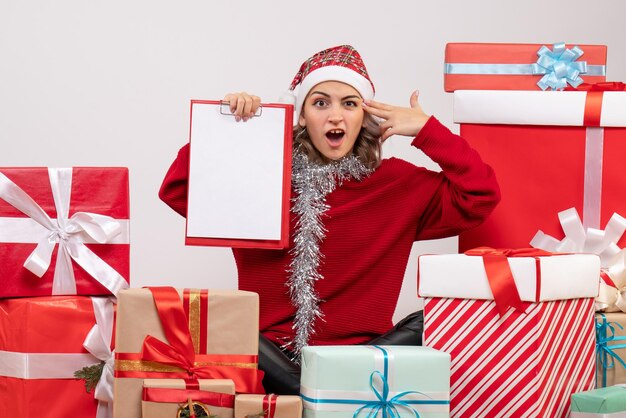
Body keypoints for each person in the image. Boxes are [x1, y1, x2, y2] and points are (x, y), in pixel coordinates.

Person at [159, 45, 500, 394]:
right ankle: (320, 391)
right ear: (302, 115)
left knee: (437, 319)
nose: (335, 116)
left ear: (363, 115)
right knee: (221, 327)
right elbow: (177, 189)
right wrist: (234, 131)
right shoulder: (261, 175)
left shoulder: (397, 183)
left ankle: (319, 389)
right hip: (269, 357)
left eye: (349, 103)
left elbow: (480, 195)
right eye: (321, 103)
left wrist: (428, 130)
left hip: (363, 356)